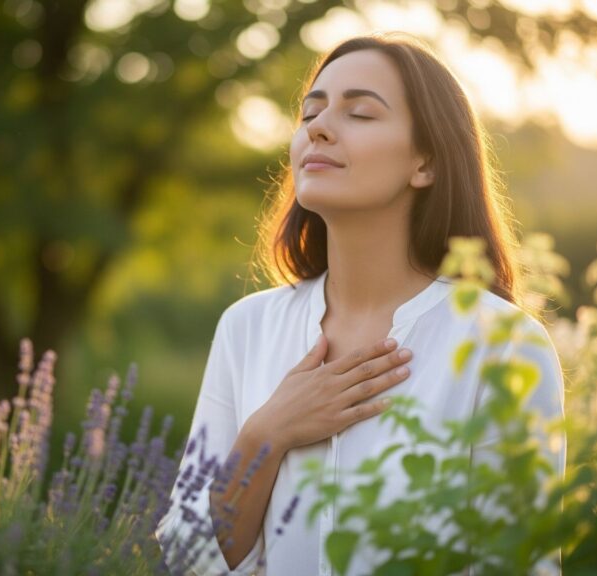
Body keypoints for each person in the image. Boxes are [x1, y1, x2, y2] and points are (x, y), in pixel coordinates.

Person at [155, 33, 565, 576]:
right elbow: (187, 558)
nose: (318, 127)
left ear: (426, 163)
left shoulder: (503, 346)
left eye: (361, 114)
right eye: (311, 112)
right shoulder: (246, 328)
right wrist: (267, 433)